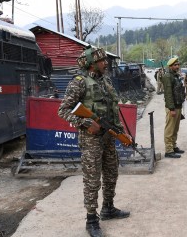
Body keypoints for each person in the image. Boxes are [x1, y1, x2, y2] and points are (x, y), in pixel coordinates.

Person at [58, 46, 130, 237]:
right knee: (92, 180)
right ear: (91, 64)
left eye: (105, 60)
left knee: (111, 173)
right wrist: (85, 123)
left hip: (108, 136)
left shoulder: (105, 81)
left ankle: (108, 208)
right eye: (102, 60)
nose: (106, 63)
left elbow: (113, 109)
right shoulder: (79, 83)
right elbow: (63, 110)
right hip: (91, 140)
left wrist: (121, 132)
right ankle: (91, 219)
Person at [162, 57, 186, 158]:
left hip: (178, 106)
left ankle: (174, 146)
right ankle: (168, 150)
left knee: (175, 129)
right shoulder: (168, 76)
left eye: (178, 64)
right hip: (172, 107)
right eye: (175, 65)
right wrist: (171, 109)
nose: (177, 66)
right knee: (170, 129)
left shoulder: (176, 76)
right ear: (170, 66)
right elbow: (168, 94)